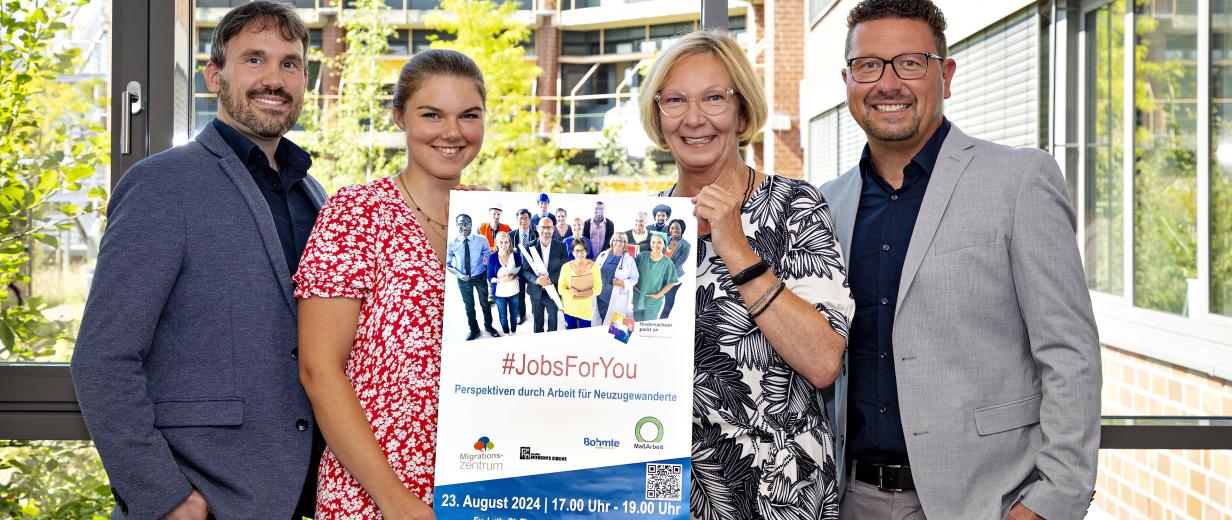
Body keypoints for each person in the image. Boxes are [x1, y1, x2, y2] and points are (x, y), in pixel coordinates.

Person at [820, 3, 1102, 519]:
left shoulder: (1019, 180)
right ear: (847, 80)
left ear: (945, 75)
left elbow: (1070, 354)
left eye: (909, 63)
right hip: (850, 501)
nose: (888, 83)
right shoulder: (825, 205)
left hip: (986, 502)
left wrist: (1050, 502)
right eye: (869, 65)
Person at [70, 3, 326, 518]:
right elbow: (103, 359)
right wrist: (163, 497)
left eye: (290, 63)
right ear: (215, 76)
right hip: (209, 500)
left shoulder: (314, 195)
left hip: (308, 496)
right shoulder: (161, 185)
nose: (274, 79)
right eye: (254, 59)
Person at [640, 30, 854, 519]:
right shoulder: (638, 226)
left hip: (779, 494)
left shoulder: (796, 207)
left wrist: (736, 248)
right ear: (658, 115)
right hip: (662, 493)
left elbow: (823, 360)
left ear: (741, 112)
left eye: (714, 97)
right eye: (675, 100)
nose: (694, 118)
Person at [295, 48, 489, 518]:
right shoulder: (356, 213)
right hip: (375, 493)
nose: (452, 132)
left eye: (469, 115)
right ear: (399, 118)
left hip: (479, 486)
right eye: (431, 114)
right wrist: (394, 499)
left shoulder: (493, 222)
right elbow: (319, 369)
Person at [447, 213, 500, 340]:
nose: (463, 227)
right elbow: (448, 264)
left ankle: (489, 326)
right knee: (469, 307)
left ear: (471, 225)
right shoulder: (452, 243)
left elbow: (489, 259)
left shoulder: (482, 240)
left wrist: (490, 275)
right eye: (460, 224)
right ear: (456, 225)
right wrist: (460, 275)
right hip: (463, 280)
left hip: (480, 277)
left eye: (466, 224)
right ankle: (474, 329)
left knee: (485, 304)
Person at [521, 214, 569, 332]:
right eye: (543, 227)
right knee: (537, 322)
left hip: (553, 290)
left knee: (553, 320)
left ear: (554, 229)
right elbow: (525, 270)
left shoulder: (561, 247)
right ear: (537, 228)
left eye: (549, 227)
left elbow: (564, 269)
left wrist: (549, 280)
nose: (546, 230)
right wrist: (537, 280)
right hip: (536, 291)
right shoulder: (529, 246)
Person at [593, 234, 640, 325]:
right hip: (600, 296)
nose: (618, 243)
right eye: (616, 240)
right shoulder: (603, 255)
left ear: (625, 244)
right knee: (598, 322)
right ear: (612, 241)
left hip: (617, 297)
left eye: (621, 241)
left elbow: (635, 278)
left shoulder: (629, 260)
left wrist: (622, 284)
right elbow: (594, 271)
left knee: (616, 327)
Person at [632, 233, 679, 321]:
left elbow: (671, 282)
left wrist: (658, 295)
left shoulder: (667, 263)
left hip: (653, 301)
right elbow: (632, 272)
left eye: (659, 242)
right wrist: (632, 285)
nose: (655, 245)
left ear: (664, 244)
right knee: (637, 322)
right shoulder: (641, 256)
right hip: (638, 297)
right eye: (653, 242)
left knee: (649, 325)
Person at [557, 239, 602, 329]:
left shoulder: (595, 267)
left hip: (585, 309)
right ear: (572, 252)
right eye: (577, 251)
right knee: (571, 335)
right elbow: (561, 290)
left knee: (584, 336)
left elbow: (598, 290)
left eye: (582, 250)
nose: (580, 254)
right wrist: (572, 292)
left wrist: (579, 293)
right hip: (569, 308)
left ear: (587, 251)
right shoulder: (565, 267)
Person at [488, 231, 523, 335]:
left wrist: (516, 276)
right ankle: (507, 333)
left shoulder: (516, 256)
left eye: (506, 242)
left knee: (514, 314)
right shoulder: (492, 257)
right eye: (501, 242)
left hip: (514, 291)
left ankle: (514, 331)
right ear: (497, 243)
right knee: (503, 315)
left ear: (509, 243)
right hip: (500, 293)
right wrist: (500, 280)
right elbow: (489, 277)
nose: (504, 245)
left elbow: (521, 272)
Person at [658, 218, 691, 319]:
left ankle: (663, 321)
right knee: (657, 298)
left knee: (668, 301)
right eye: (672, 228)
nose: (674, 230)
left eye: (677, 228)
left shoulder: (686, 245)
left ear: (682, 229)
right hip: (660, 274)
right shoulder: (666, 239)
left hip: (674, 276)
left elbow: (678, 263)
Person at [510, 208, 537, 325]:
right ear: (517, 220)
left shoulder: (536, 234)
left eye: (526, 218)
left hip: (532, 270)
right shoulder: (511, 235)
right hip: (518, 270)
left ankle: (536, 312)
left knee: (534, 292)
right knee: (519, 293)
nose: (523, 221)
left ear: (530, 220)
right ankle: (521, 314)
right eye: (521, 218)